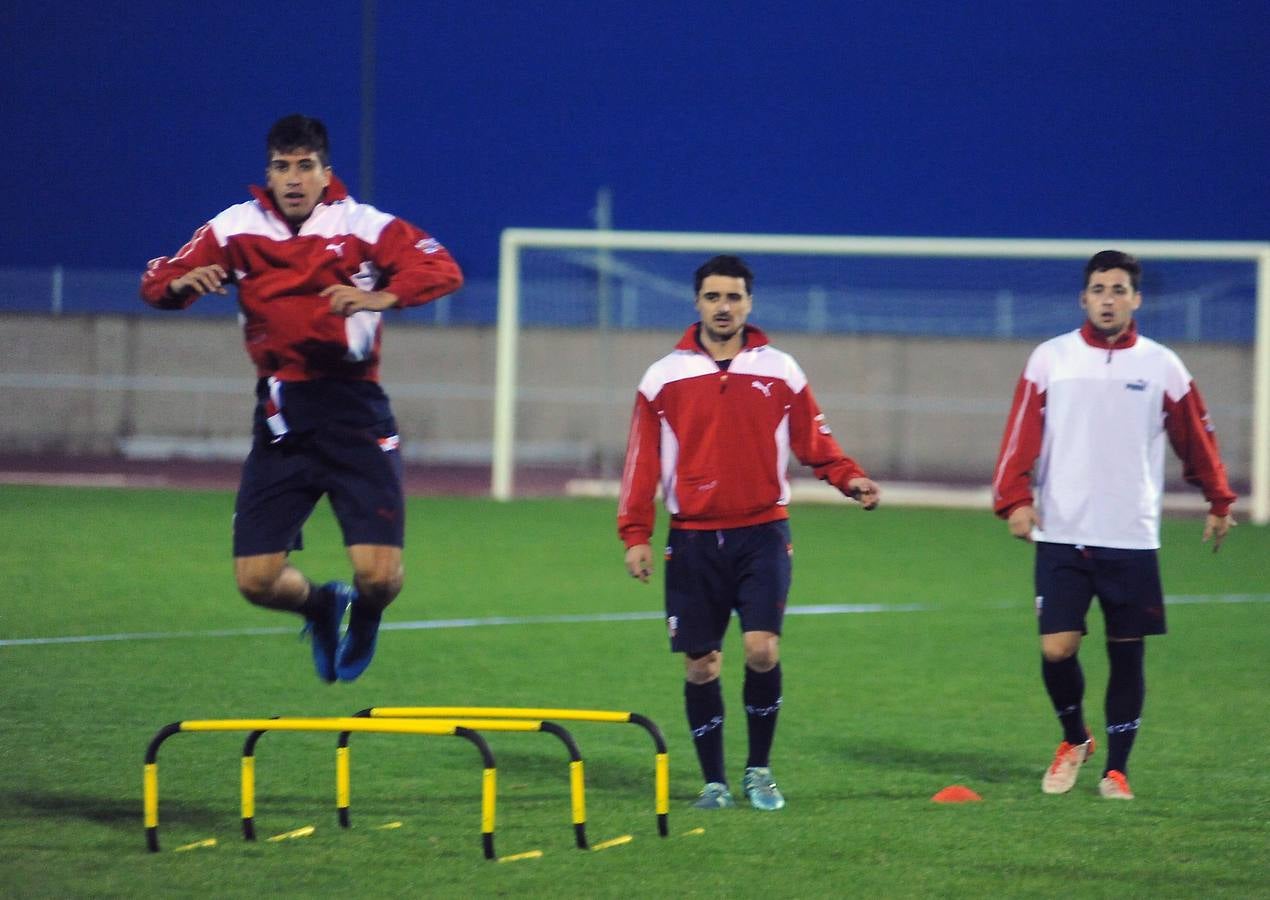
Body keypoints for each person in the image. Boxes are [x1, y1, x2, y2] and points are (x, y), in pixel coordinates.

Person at [141, 114, 462, 683]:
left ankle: (366, 613)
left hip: (355, 412)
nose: (293, 178)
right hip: (281, 418)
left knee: (380, 577)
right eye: (281, 166)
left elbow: (442, 268)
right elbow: (158, 278)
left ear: (326, 172)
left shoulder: (362, 224)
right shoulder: (234, 227)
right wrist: (178, 285)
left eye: (305, 166)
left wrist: (382, 297)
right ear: (268, 173)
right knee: (256, 581)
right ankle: (321, 606)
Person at [617, 254, 881, 811]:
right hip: (692, 539)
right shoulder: (663, 376)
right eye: (713, 297)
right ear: (697, 303)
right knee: (701, 664)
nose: (723, 307)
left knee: (762, 650)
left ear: (749, 303)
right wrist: (636, 534)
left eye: (733, 297)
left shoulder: (781, 369)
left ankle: (760, 771)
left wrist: (849, 477)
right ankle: (714, 783)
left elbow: (815, 441)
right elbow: (641, 462)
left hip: (763, 533)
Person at [992, 249, 1236, 800]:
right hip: (1062, 531)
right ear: (1084, 298)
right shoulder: (1050, 358)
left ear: (1136, 299)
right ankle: (1075, 738)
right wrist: (1014, 500)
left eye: (1119, 290)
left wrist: (1219, 500)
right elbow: (1020, 434)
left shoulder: (1161, 365)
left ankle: (1117, 771)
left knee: (1127, 654)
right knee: (1057, 649)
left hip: (1130, 536)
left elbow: (1196, 438)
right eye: (1099, 290)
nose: (1108, 300)